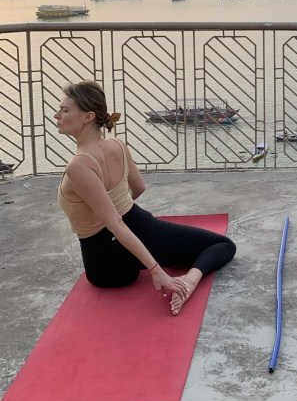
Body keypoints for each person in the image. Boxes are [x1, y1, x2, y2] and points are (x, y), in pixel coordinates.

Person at [55, 80, 236, 315]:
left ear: (88, 117)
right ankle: (191, 279)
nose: (57, 115)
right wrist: (120, 210)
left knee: (121, 250)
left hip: (107, 264)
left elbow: (115, 223)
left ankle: (186, 284)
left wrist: (156, 270)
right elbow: (138, 188)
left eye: (65, 110)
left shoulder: (78, 165)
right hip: (141, 227)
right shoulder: (117, 145)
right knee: (222, 244)